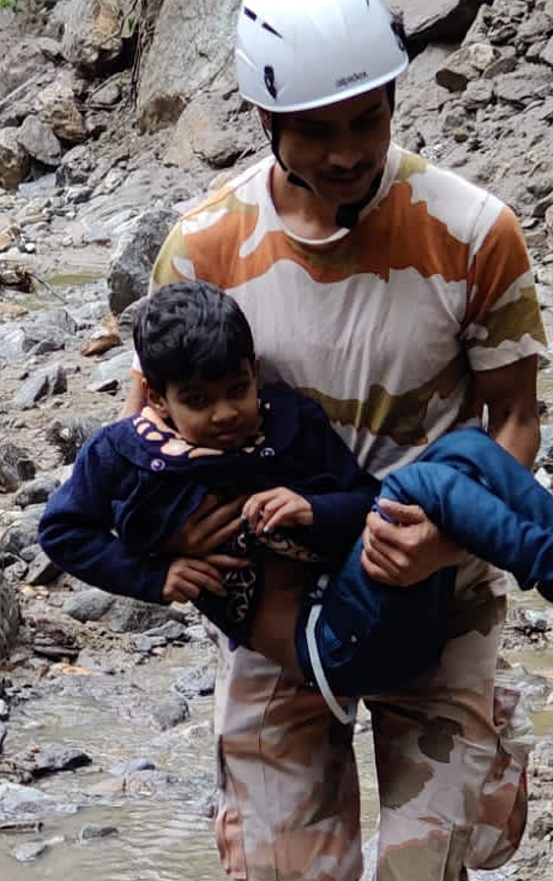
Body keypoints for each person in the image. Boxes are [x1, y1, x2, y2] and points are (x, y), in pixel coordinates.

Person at [121, 0, 545, 881]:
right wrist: (171, 528)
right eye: (321, 130)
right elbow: (160, 411)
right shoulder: (207, 247)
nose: (352, 150)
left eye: (371, 116)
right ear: (265, 124)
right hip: (279, 613)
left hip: (441, 605)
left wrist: (459, 517)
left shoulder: (474, 234)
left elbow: (514, 416)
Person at [41, 280, 553, 713]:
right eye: (197, 401)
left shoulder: (287, 419)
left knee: (464, 446)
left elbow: (362, 498)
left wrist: (313, 509)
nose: (222, 414)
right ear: (157, 398)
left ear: (254, 372)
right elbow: (62, 529)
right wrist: (155, 577)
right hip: (330, 644)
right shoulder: (124, 454)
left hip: (385, 606)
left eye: (236, 390)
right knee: (416, 485)